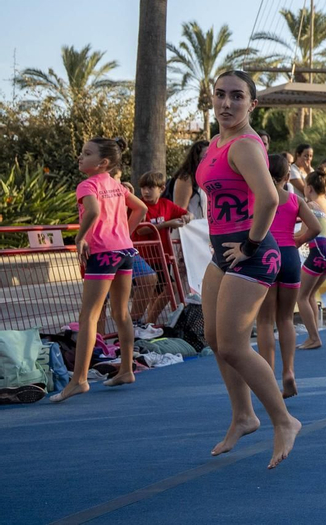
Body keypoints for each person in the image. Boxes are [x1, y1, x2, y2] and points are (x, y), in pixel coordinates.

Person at [189, 71, 300, 467]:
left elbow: (269, 199)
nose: (226, 103)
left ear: (252, 104)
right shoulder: (216, 143)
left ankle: (284, 421)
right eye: (220, 94)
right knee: (216, 340)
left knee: (234, 345)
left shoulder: (246, 145)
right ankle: (243, 415)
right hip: (223, 254)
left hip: (251, 254)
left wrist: (250, 244)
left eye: (237, 96)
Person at [51, 137, 146, 403]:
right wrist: (124, 234)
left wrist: (80, 237)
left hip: (103, 253)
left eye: (87, 153)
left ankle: (79, 380)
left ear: (103, 162)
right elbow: (141, 208)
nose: (80, 157)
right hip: (124, 251)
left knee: (89, 316)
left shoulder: (87, 185)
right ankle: (126, 369)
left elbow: (92, 211)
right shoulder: (116, 185)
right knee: (120, 312)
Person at [257, 155, 319, 399]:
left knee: (264, 321)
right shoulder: (295, 199)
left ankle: (268, 378)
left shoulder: (259, 197)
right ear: (287, 177)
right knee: (285, 318)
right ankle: (289, 371)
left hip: (267, 255)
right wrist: (299, 240)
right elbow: (315, 227)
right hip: (290, 256)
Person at [295, 170, 326, 350]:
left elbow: (303, 232)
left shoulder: (310, 205)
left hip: (319, 253)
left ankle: (314, 337)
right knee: (310, 295)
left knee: (301, 296)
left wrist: (286, 239)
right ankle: (314, 333)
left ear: (309, 188)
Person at [135, 170, 191, 329]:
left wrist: (187, 217)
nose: (146, 192)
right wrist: (166, 224)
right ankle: (146, 322)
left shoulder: (166, 204)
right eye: (143, 188)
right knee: (168, 288)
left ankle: (149, 324)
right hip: (145, 256)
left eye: (150, 187)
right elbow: (141, 230)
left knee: (159, 291)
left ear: (161, 189)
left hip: (162, 255)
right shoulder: (139, 206)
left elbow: (187, 214)